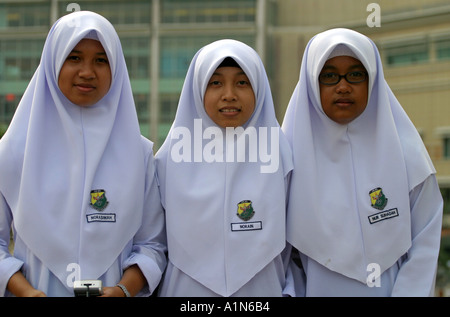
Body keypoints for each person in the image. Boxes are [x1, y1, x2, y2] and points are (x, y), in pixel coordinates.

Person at [0, 11, 167, 297]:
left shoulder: (139, 154)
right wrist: (26, 292)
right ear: (53, 62)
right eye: (74, 58)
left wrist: (124, 290)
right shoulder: (13, 151)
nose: (87, 72)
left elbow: (153, 245)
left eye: (101, 60)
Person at [281, 28, 443, 296]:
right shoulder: (288, 161)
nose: (343, 86)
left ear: (373, 80)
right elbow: (280, 257)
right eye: (329, 76)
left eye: (356, 74)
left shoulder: (407, 157)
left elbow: (424, 245)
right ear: (311, 83)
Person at [155, 39, 295, 296]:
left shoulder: (283, 159)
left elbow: (297, 249)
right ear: (197, 91)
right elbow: (153, 245)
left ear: (259, 90)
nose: (229, 94)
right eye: (215, 82)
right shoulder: (166, 164)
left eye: (242, 83)